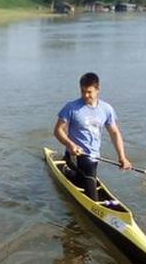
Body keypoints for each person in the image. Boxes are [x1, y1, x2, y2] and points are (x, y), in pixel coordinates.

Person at [54, 72, 131, 200]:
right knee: (92, 196)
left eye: (89, 92)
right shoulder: (71, 108)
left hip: (94, 157)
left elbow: (114, 133)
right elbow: (57, 131)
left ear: (98, 90)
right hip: (76, 156)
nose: (85, 95)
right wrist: (70, 144)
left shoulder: (107, 109)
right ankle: (73, 172)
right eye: (83, 91)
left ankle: (70, 173)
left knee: (84, 178)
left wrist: (122, 158)